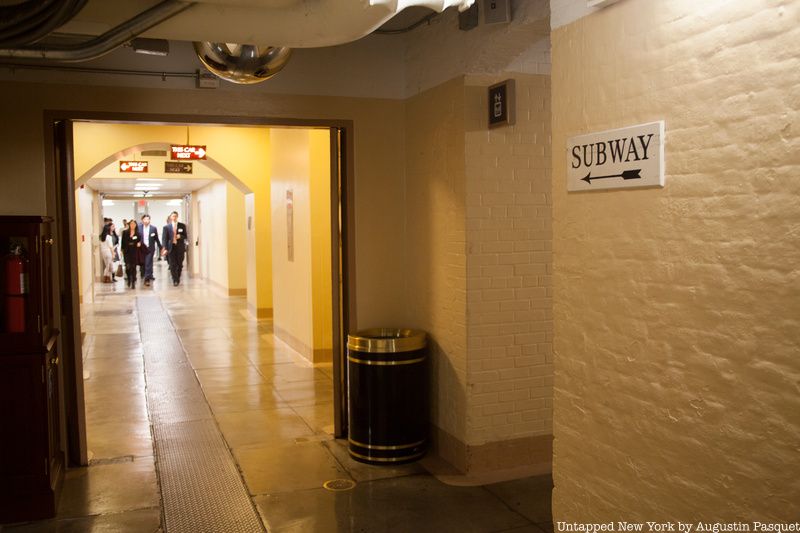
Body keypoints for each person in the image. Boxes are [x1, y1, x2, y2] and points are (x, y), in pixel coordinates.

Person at [162, 211, 188, 286]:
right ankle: (175, 280)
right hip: (171, 248)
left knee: (179, 264)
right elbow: (164, 239)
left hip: (180, 247)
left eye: (175, 216)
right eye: (173, 216)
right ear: (170, 217)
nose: (174, 217)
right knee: (172, 264)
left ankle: (178, 277)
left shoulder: (182, 226)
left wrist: (181, 236)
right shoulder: (166, 227)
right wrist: (165, 248)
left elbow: (185, 236)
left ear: (177, 217)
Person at [138, 214, 161, 287]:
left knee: (148, 262)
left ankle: (147, 279)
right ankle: (149, 274)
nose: (146, 221)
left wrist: (161, 247)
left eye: (148, 219)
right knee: (145, 263)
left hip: (150, 248)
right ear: (142, 220)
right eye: (145, 219)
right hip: (142, 248)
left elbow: (156, 238)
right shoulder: (139, 227)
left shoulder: (153, 228)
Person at [120, 219, 143, 289]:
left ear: (136, 225)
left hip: (134, 252)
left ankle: (133, 282)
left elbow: (139, 241)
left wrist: (139, 243)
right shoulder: (125, 232)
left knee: (133, 267)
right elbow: (122, 243)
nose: (133, 225)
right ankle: (129, 279)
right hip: (127, 252)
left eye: (134, 224)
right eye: (131, 224)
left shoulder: (138, 233)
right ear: (129, 225)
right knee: (128, 266)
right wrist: (121, 250)